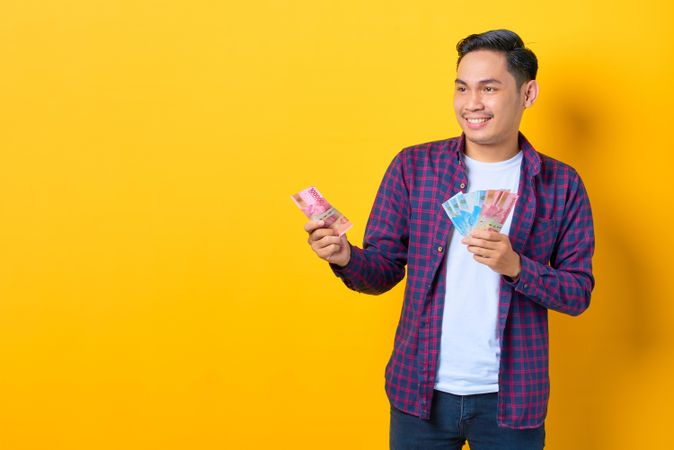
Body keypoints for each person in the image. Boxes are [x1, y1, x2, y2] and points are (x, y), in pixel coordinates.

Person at [304, 29, 595, 450]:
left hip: (512, 400)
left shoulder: (561, 184)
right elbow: (383, 271)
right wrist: (347, 256)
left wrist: (515, 266)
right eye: (462, 88)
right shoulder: (413, 167)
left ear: (528, 93)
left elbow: (578, 293)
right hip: (418, 394)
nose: (471, 103)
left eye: (489, 88)